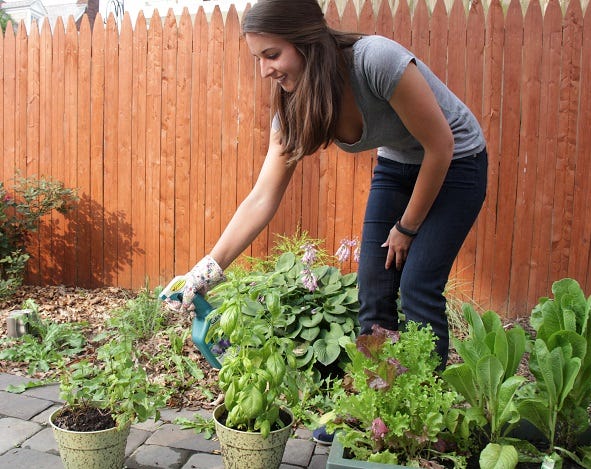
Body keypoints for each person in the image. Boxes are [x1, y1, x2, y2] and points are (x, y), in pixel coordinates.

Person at [166, 0, 487, 435]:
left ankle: (421, 420)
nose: (265, 71)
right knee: (374, 290)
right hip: (398, 166)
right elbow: (263, 195)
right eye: (258, 58)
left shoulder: (376, 59)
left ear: (307, 42)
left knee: (417, 289)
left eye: (272, 55)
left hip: (457, 163)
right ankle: (372, 414)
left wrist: (406, 228)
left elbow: (441, 147)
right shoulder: (295, 102)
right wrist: (209, 267)